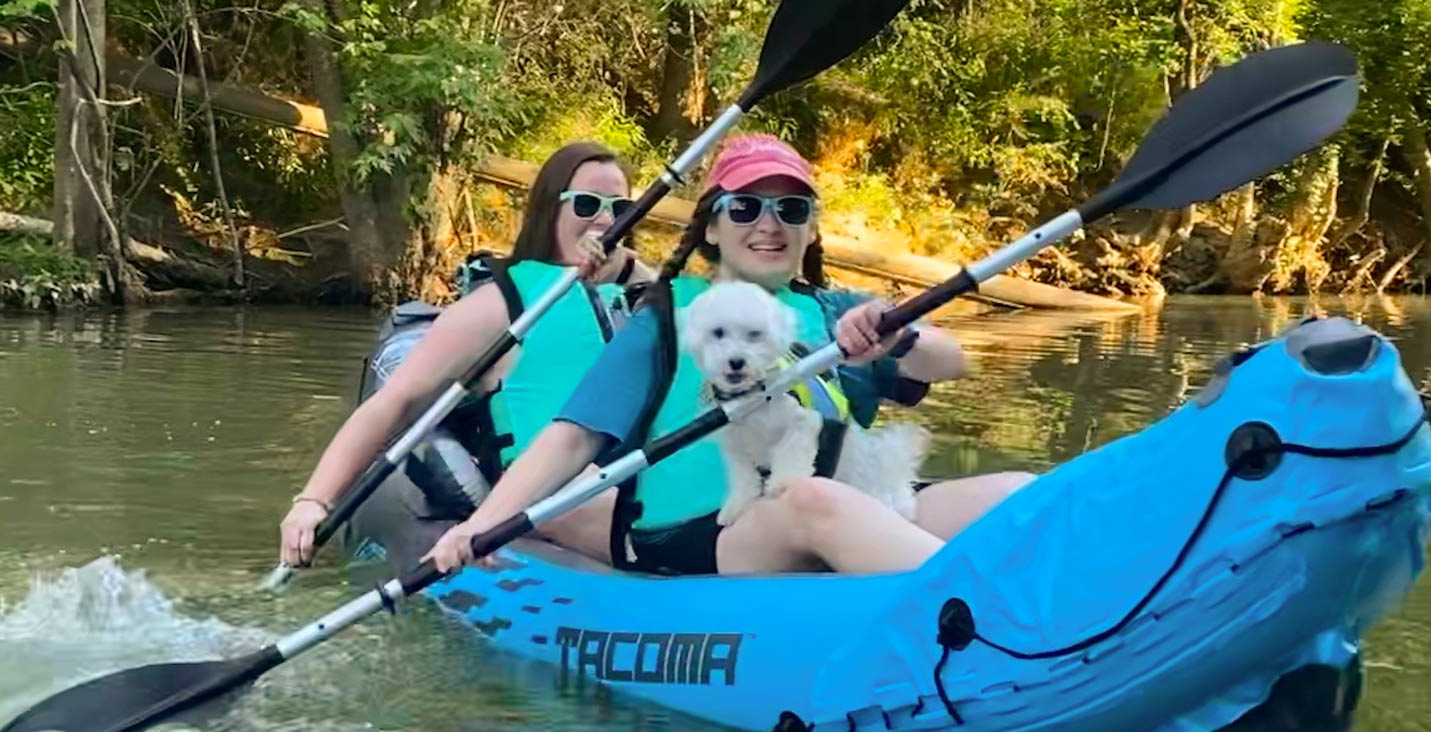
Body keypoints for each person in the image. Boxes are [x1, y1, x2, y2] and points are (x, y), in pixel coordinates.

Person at [426, 134, 1033, 577]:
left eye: (791, 210)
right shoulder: (670, 314)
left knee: (1018, 492)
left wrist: (898, 337)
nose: (769, 224)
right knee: (813, 500)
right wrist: (480, 527)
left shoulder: (836, 310)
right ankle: (998, 623)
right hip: (708, 528)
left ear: (812, 230)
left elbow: (950, 362)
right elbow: (573, 437)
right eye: (745, 207)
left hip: (853, 499)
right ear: (712, 228)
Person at [279, 141, 654, 568]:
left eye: (620, 208)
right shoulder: (499, 305)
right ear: (551, 210)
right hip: (558, 496)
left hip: (637, 475)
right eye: (587, 204)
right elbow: (393, 402)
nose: (605, 220)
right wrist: (312, 500)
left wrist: (633, 271)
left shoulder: (637, 297)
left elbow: (711, 339)